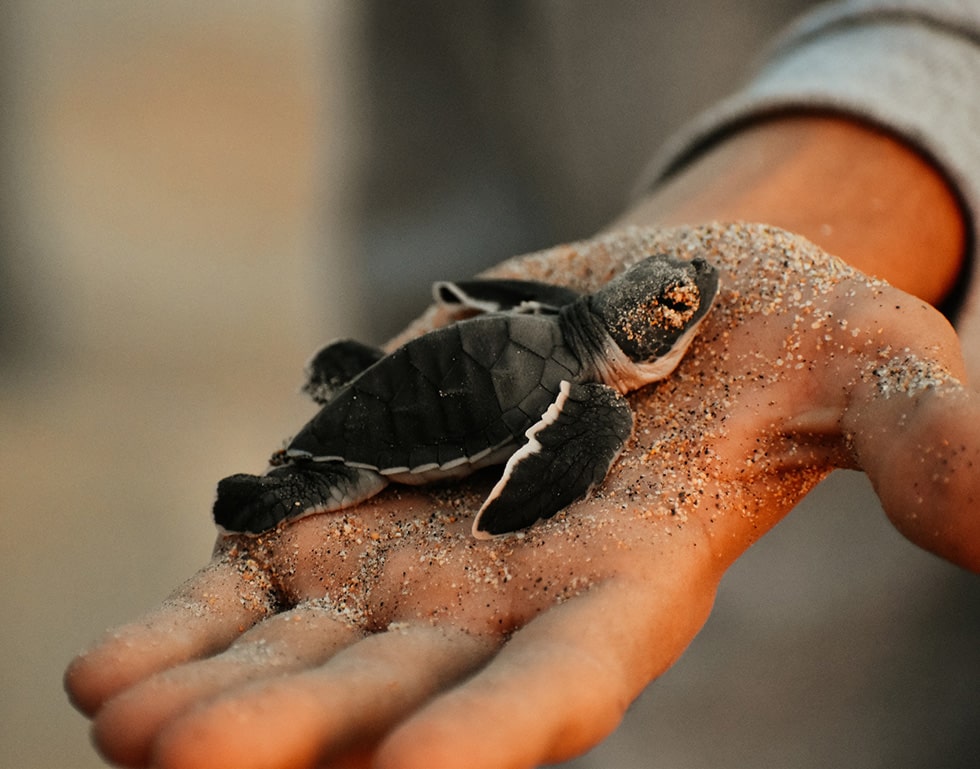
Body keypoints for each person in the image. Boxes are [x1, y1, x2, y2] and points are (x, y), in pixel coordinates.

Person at [65, 2, 980, 768]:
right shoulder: (595, 404)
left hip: (863, 687)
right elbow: (449, 231)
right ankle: (284, 486)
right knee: (348, 480)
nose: (693, 296)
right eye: (671, 296)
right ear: (629, 323)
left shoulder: (564, 326)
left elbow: (475, 295)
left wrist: (909, 110)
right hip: (456, 329)